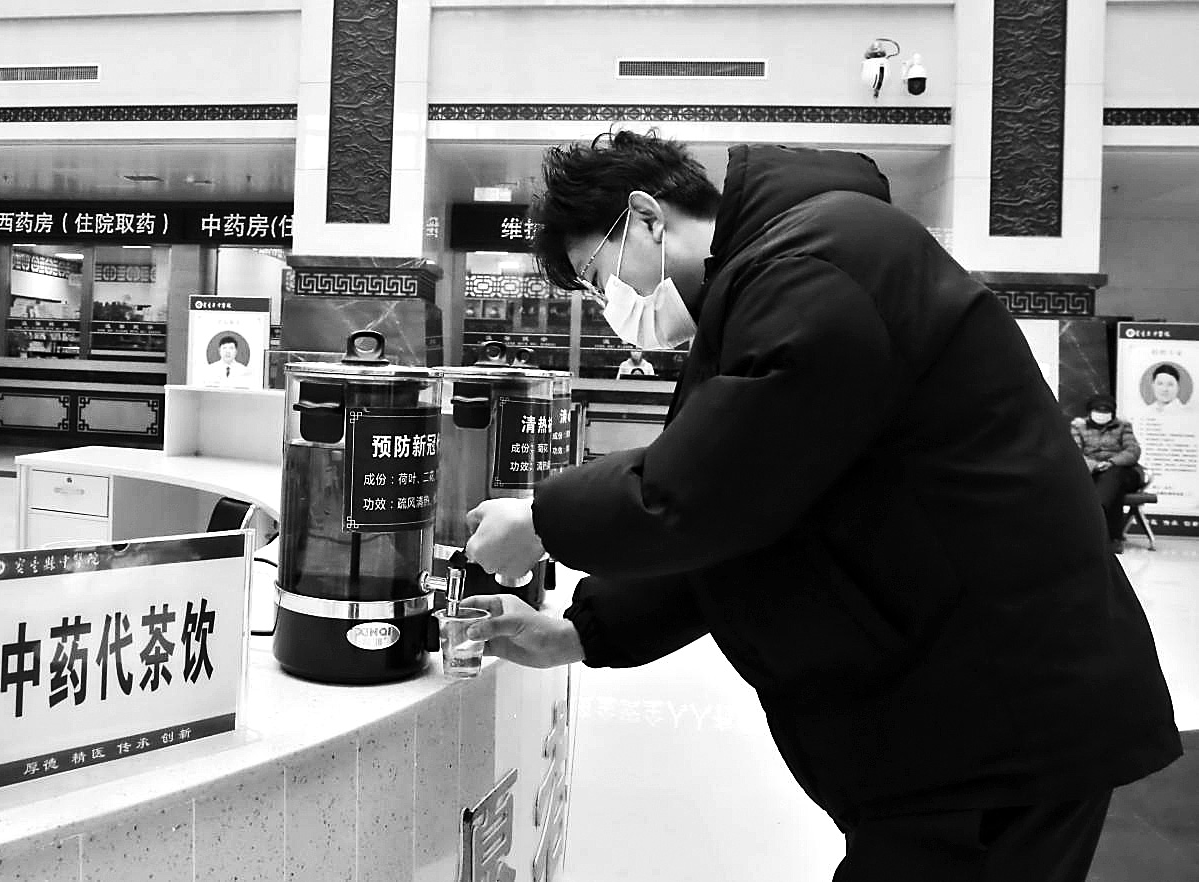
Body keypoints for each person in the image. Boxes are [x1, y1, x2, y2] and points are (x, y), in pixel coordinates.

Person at [460, 131, 1182, 882]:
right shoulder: (783, 271)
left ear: (645, 217)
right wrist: (581, 632)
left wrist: (542, 521)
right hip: (962, 722)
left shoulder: (814, 265)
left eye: (596, 276)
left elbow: (707, 491)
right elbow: (757, 517)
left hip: (996, 723)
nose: (609, 303)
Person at [1070, 394, 1142, 554]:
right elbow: (1075, 453)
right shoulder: (1078, 427)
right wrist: (1095, 465)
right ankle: (1113, 538)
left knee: (1112, 479)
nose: (1102, 414)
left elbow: (1133, 451)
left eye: (1106, 411)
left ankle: (1099, 513)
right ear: (1090, 411)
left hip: (1122, 471)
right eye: (1098, 410)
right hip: (1091, 471)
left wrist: (1111, 462)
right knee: (1111, 490)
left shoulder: (1123, 426)